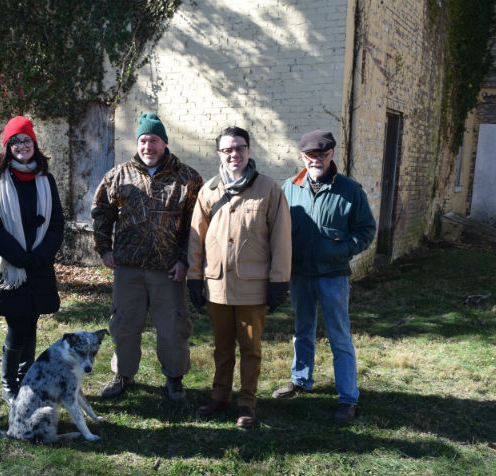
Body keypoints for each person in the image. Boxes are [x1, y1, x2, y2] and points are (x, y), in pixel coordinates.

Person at [91, 112, 203, 400]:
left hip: (168, 270)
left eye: (154, 140)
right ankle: (123, 375)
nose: (148, 146)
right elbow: (101, 213)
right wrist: (104, 249)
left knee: (173, 327)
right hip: (128, 269)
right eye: (143, 140)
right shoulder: (118, 175)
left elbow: (196, 224)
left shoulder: (188, 178)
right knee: (124, 325)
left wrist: (184, 260)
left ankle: (175, 378)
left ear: (164, 143)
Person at [186, 126, 292, 429]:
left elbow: (281, 240)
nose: (234, 154)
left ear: (249, 150)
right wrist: (194, 278)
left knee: (250, 348)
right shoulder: (208, 191)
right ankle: (220, 396)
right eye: (227, 149)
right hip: (217, 286)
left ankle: (247, 403)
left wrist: (279, 281)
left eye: (240, 148)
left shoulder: (269, 189)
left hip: (252, 287)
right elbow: (196, 238)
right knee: (221, 348)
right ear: (220, 153)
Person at [273, 129, 376, 426]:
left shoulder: (350, 189)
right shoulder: (289, 187)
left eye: (322, 155)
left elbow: (366, 230)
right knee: (302, 330)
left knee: (339, 335)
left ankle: (347, 398)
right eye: (310, 155)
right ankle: (301, 380)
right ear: (302, 156)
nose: (316, 160)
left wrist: (342, 249)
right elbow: (277, 229)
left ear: (332, 154)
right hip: (300, 275)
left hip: (333, 275)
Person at [0, 116, 65, 405]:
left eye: (26, 140)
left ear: (34, 144)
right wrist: (16, 254)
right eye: (15, 141)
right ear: (7, 146)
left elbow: (56, 224)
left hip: (38, 265)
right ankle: (9, 384)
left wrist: (40, 256)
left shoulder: (45, 179)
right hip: (9, 265)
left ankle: (26, 379)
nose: (21, 146)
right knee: (18, 326)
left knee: (32, 323)